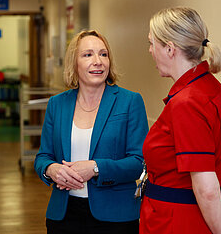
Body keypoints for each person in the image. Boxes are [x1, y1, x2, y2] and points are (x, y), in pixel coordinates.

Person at [140, 7, 221, 234]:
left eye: (152, 43)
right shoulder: (214, 89)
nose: (150, 51)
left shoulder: (187, 103)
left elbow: (207, 188)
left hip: (177, 221)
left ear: (169, 48)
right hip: (200, 217)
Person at [34, 30, 148, 234]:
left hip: (116, 217)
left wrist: (96, 168)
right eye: (88, 55)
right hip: (64, 215)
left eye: (103, 54)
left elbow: (139, 161)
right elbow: (43, 156)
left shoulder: (129, 101)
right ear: (74, 63)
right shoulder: (57, 104)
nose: (98, 61)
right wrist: (51, 170)